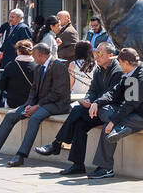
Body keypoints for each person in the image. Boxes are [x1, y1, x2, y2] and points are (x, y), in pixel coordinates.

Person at [0, 42, 70, 166]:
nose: (33, 58)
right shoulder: (38, 67)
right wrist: (29, 105)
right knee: (11, 115)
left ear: (41, 55)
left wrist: (37, 106)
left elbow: (57, 93)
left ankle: (21, 155)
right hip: (39, 103)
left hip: (56, 104)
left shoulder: (58, 66)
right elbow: (33, 90)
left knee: (35, 118)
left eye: (34, 55)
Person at [35, 41, 122, 176]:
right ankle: (77, 165)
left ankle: (57, 144)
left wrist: (96, 102)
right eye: (96, 53)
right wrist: (88, 99)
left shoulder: (118, 71)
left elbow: (112, 93)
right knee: (80, 124)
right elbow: (93, 89)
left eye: (100, 53)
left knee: (77, 113)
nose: (96, 56)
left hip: (111, 110)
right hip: (97, 108)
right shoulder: (99, 69)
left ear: (111, 55)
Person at [87, 46, 143, 179]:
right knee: (103, 110)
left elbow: (129, 104)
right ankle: (122, 127)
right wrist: (97, 102)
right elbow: (114, 92)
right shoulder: (130, 72)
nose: (118, 64)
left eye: (120, 62)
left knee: (107, 129)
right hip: (133, 112)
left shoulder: (141, 77)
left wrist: (113, 121)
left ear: (127, 63)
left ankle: (106, 168)